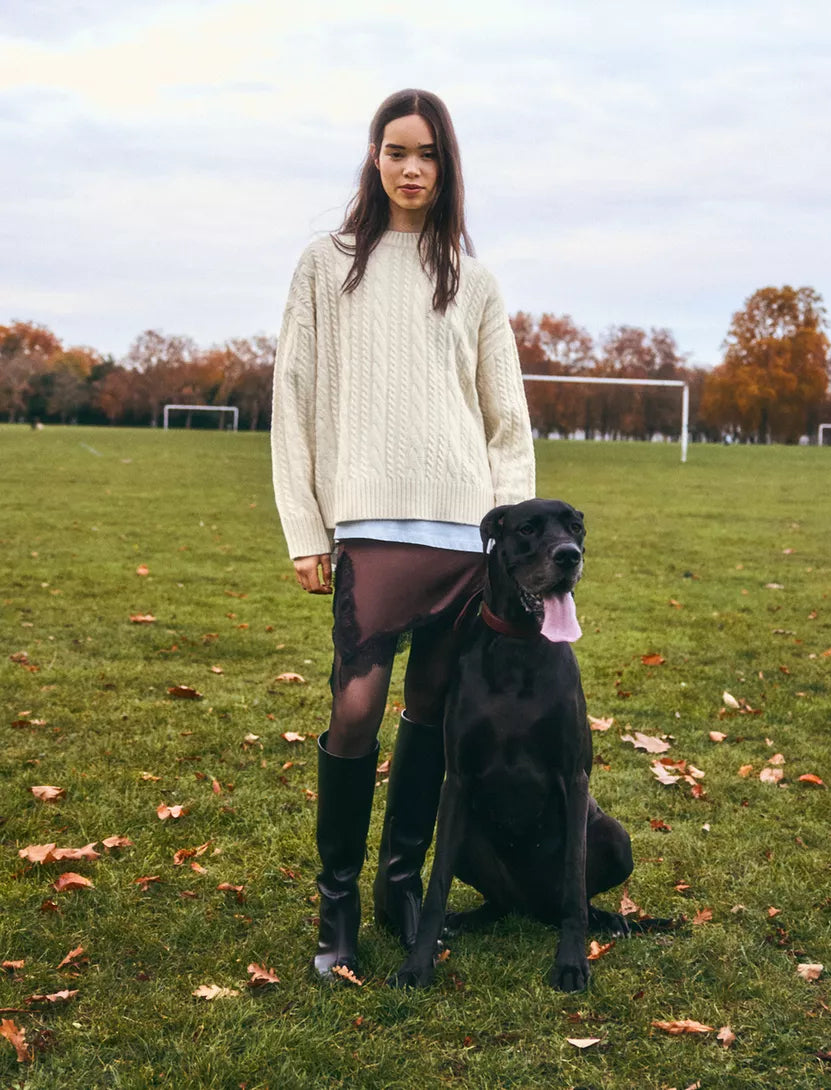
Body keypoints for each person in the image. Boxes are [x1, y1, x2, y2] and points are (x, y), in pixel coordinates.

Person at [271, 88, 535, 981]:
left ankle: (400, 887)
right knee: (355, 713)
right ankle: (337, 905)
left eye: (426, 153)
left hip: (464, 539)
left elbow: (507, 421)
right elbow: (293, 400)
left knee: (430, 715)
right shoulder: (327, 264)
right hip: (370, 531)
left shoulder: (474, 279)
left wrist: (511, 548)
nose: (410, 168)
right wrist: (306, 529)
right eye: (395, 151)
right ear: (374, 158)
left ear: (446, 165)